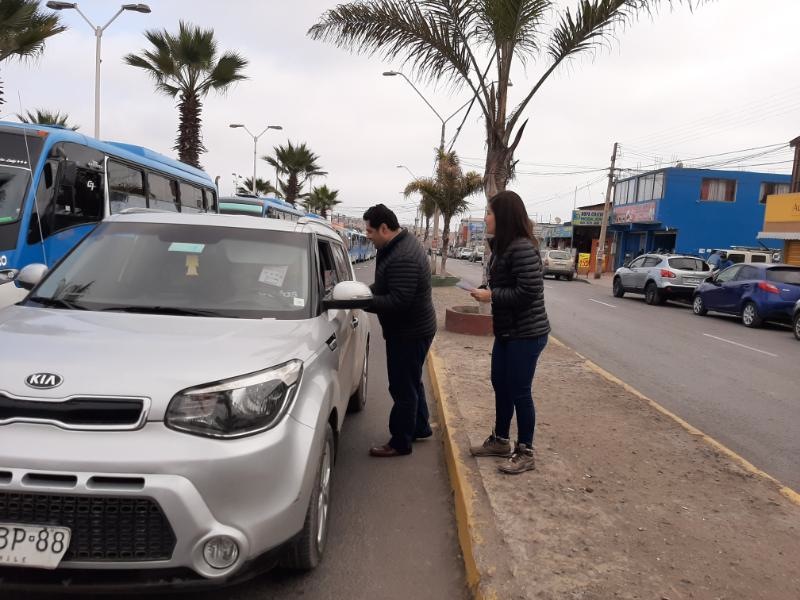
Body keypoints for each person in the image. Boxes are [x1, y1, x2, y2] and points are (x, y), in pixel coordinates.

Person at [469, 191, 550, 475]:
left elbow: (528, 292)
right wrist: (484, 290)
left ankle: (526, 451)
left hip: (527, 333)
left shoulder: (522, 247)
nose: (485, 217)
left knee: (519, 391)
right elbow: (501, 281)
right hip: (507, 331)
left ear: (502, 216)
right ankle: (501, 440)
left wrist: (491, 296)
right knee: (500, 384)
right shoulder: (503, 247)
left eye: (489, 213)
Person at [363, 204, 437, 458]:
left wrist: (362, 302)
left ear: (384, 228)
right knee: (411, 382)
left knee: (402, 388)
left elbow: (398, 301)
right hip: (414, 329)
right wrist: (364, 291)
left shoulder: (402, 255)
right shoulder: (396, 246)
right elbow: (386, 285)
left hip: (409, 332)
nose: (368, 236)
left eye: (370, 231)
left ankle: (400, 442)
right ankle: (420, 426)